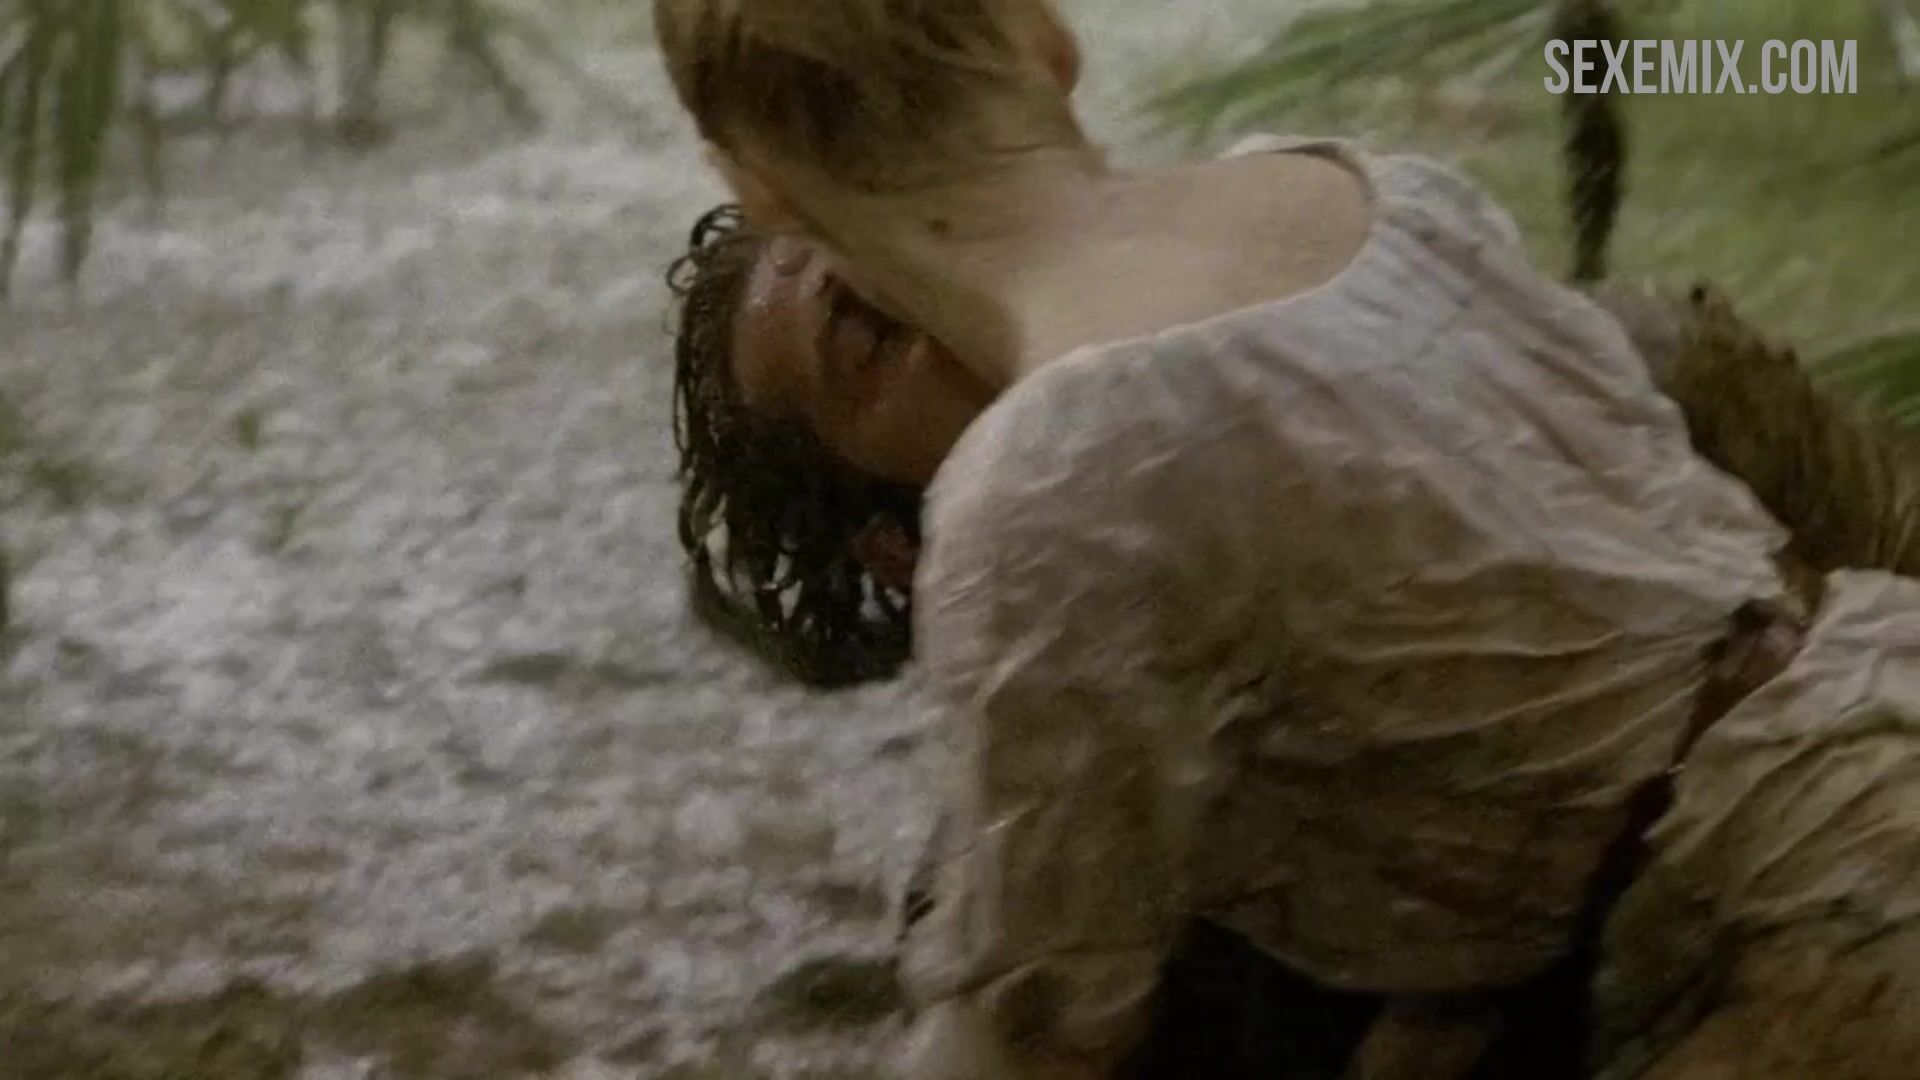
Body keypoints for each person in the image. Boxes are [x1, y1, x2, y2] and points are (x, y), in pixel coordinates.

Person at [653, 2, 1920, 1078]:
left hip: (1830, 879)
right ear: (1049, 44)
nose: (939, 305)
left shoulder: (1106, 456)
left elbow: (1019, 1043)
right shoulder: (1373, 207)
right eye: (871, 330)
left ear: (756, 180)